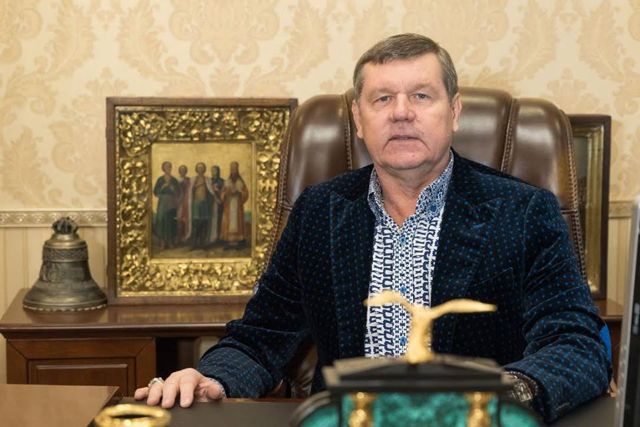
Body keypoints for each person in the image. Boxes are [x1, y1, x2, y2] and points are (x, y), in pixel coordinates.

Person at [135, 33, 610, 422]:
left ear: (454, 112)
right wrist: (212, 377)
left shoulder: (523, 212)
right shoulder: (320, 211)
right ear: (359, 119)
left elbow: (576, 345)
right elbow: (260, 336)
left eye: (421, 96)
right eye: (382, 99)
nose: (401, 112)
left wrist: (500, 398)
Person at [220, 161, 249, 248]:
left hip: (237, 204)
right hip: (229, 204)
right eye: (232, 169)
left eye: (235, 169)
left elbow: (245, 192)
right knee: (228, 222)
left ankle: (239, 241)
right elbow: (222, 193)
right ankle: (228, 241)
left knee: (237, 221)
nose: (233, 171)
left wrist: (239, 192)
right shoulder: (227, 181)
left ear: (237, 170)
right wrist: (226, 193)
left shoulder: (240, 181)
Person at [152, 160, 180, 250]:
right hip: (163, 203)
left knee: (171, 221)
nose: (168, 168)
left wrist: (173, 189)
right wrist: (162, 187)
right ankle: (162, 243)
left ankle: (170, 242)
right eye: (166, 167)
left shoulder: (174, 180)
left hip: (171, 202)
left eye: (169, 166)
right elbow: (155, 192)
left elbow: (178, 193)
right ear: (163, 168)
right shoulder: (160, 180)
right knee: (161, 221)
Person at [190, 162, 212, 249]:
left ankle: (203, 244)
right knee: (196, 224)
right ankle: (194, 244)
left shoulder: (207, 179)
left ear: (204, 169)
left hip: (205, 204)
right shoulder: (193, 179)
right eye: (199, 167)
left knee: (204, 223)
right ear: (196, 169)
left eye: (202, 167)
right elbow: (190, 191)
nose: (200, 169)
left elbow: (211, 191)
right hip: (196, 203)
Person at [206, 165, 224, 245]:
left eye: (215, 170)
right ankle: (210, 238)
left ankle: (218, 238)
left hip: (218, 203)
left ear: (218, 171)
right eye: (212, 170)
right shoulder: (209, 181)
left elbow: (224, 192)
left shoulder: (221, 181)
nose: (213, 172)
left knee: (218, 220)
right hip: (210, 203)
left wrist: (218, 191)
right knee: (211, 220)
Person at [176, 164, 192, 244]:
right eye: (181, 170)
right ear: (179, 171)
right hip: (179, 201)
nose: (183, 171)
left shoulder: (189, 179)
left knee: (186, 219)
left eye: (184, 170)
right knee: (179, 219)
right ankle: (179, 237)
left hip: (187, 200)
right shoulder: (177, 180)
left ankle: (186, 237)